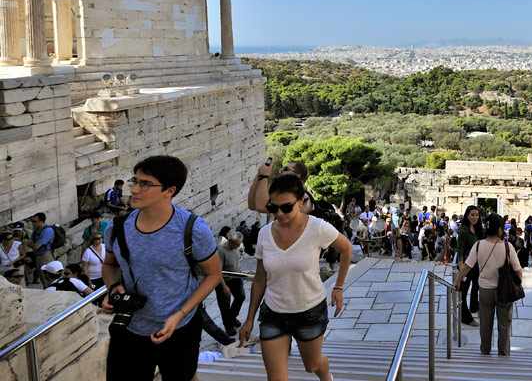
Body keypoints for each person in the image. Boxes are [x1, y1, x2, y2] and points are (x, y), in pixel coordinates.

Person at [101, 155, 222, 381]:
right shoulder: (116, 227)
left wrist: (179, 315)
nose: (134, 190)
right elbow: (109, 265)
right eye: (134, 182)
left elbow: (213, 275)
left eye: (144, 184)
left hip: (180, 329)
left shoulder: (193, 229)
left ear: (169, 190)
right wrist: (113, 287)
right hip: (129, 329)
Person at [238, 174, 352, 381]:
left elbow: (347, 248)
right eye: (273, 208)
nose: (279, 213)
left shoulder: (317, 228)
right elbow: (259, 279)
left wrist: (338, 287)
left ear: (301, 201)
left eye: (287, 207)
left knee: (312, 365)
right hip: (272, 313)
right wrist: (249, 320)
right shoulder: (264, 234)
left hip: (309, 312)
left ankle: (326, 375)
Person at [453, 213, 522, 356]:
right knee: (504, 324)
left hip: (485, 290)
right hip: (504, 291)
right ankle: (503, 353)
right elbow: (518, 271)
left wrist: (457, 281)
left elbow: (466, 266)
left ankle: (485, 351)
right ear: (499, 229)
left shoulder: (478, 245)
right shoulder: (508, 247)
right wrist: (517, 283)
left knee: (485, 324)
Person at [456, 205, 483, 326]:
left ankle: (474, 306)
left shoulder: (477, 229)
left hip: (476, 264)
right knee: (464, 291)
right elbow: (460, 251)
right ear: (467, 215)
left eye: (476, 215)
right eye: (472, 215)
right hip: (466, 265)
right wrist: (462, 271)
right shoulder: (463, 230)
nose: (475, 217)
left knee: (477, 286)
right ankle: (465, 317)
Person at [216, 231, 246, 336]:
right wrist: (224, 286)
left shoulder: (235, 249)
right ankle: (228, 326)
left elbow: (236, 260)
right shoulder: (221, 252)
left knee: (241, 297)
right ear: (231, 242)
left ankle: (232, 318)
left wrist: (240, 269)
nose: (239, 246)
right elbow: (218, 271)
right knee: (225, 305)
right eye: (237, 244)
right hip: (224, 281)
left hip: (236, 278)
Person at [27, 212, 56, 287]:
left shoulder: (47, 231)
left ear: (41, 221)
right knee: (42, 277)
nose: (32, 223)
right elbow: (29, 243)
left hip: (45, 255)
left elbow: (36, 246)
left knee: (47, 277)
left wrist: (32, 244)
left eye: (34, 221)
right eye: (32, 221)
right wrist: (32, 244)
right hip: (38, 255)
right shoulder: (36, 230)